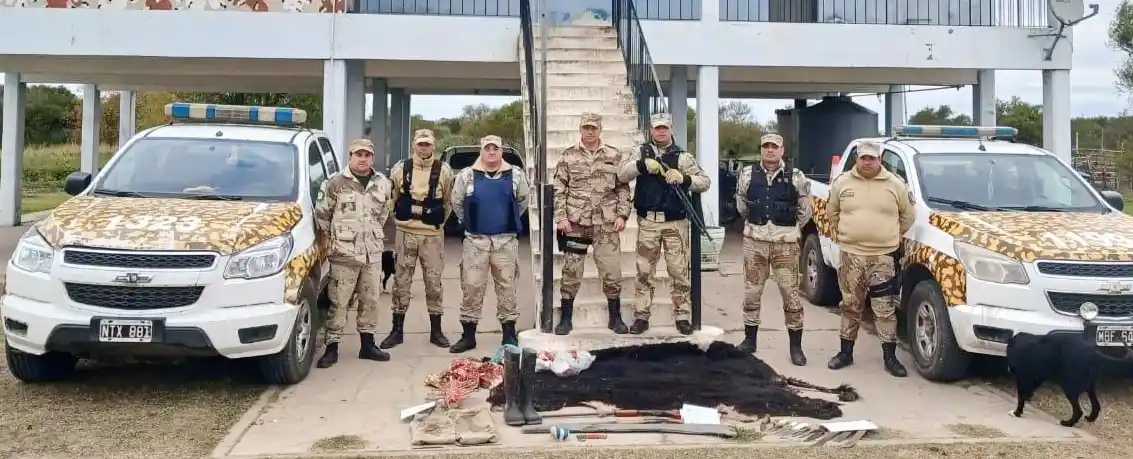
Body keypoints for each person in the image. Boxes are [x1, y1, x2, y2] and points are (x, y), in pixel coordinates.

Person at [825, 141, 915, 377]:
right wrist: (850, 234)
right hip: (851, 256)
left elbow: (907, 217)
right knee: (850, 305)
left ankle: (890, 357)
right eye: (863, 158)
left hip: (882, 258)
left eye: (871, 158)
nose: (867, 162)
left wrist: (887, 237)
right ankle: (845, 352)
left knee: (884, 309)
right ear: (857, 158)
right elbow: (832, 213)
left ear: (880, 159)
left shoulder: (896, 185)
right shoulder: (842, 182)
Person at [616, 113, 711, 335]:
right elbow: (621, 174)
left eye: (664, 128)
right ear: (651, 130)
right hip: (649, 221)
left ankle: (682, 315)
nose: (661, 132)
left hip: (675, 223)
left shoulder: (683, 157)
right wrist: (641, 165)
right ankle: (641, 316)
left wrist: (684, 179)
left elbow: (704, 182)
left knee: (678, 272)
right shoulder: (641, 151)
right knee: (643, 272)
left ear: (671, 129)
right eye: (657, 128)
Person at [313, 138, 394, 368]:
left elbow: (383, 213)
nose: (362, 159)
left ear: (373, 158)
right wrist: (338, 239)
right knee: (339, 301)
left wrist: (369, 233)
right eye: (358, 154)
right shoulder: (335, 183)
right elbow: (322, 215)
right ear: (350, 156)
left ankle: (367, 344)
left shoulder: (382, 183)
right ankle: (332, 347)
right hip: (344, 254)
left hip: (372, 253)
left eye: (367, 155)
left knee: (371, 300)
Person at [733, 133, 811, 366]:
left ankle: (796, 347)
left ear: (782, 150)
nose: (770, 151)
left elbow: (805, 211)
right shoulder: (747, 174)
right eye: (765, 146)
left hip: (785, 246)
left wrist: (788, 231)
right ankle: (750, 340)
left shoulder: (796, 177)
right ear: (761, 150)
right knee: (752, 293)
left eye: (774, 147)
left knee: (791, 295)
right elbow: (742, 205)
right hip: (755, 243)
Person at [448, 135, 531, 353]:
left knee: (507, 287)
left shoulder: (515, 175)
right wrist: (471, 224)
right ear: (481, 151)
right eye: (487, 148)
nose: (491, 152)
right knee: (471, 287)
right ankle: (468, 336)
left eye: (495, 148)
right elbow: (457, 203)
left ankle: (509, 335)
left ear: (501, 151)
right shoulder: (466, 176)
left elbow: (523, 201)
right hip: (476, 242)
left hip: (505, 242)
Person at [552, 112, 632, 335]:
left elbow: (623, 188)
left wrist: (622, 215)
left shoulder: (614, 155)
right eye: (586, 128)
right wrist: (561, 217)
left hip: (606, 224)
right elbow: (558, 189)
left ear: (600, 130)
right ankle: (566, 319)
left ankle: (615, 318)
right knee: (571, 271)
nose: (590, 132)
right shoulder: (568, 156)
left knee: (612, 271)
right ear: (580, 129)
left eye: (594, 128)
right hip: (576, 224)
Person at [381, 129, 454, 350]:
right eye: (420, 144)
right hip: (406, 234)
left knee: (434, 284)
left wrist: (437, 224)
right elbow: (390, 199)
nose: (424, 148)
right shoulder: (400, 169)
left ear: (434, 146)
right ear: (414, 145)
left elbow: (449, 203)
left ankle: (436, 331)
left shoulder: (444, 171)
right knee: (401, 282)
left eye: (427, 144)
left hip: (432, 236)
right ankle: (397, 330)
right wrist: (398, 221)